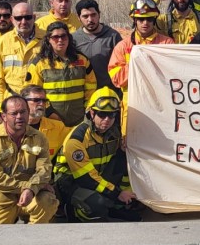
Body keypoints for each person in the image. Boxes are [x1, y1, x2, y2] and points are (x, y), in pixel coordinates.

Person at [54, 88, 139, 222]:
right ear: (92, 113)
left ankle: (115, 207)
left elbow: (117, 166)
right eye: (102, 114)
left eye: (111, 115)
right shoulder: (77, 139)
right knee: (97, 205)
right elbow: (86, 178)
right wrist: (117, 194)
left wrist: (130, 195)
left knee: (124, 155)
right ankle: (74, 211)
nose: (107, 120)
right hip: (71, 182)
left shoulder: (115, 134)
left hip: (96, 175)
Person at [0, 96, 58, 225]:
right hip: (0, 199)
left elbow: (44, 170)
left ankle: (33, 237)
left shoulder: (39, 137)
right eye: (14, 113)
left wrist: (31, 190)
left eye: (23, 112)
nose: (19, 117)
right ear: (3, 116)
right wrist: (28, 187)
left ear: (28, 112)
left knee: (48, 201)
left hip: (29, 196)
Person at [108, 0, 175, 133]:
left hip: (160, 103)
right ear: (134, 21)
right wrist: (136, 62)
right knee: (130, 143)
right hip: (133, 105)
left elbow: (174, 73)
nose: (145, 23)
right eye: (141, 19)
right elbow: (117, 79)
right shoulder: (123, 46)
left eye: (149, 19)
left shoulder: (167, 43)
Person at [26, 22, 97, 127]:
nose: (60, 40)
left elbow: (91, 87)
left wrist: (88, 109)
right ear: (48, 40)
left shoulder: (82, 60)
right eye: (55, 37)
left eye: (64, 36)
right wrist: (49, 112)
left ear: (69, 38)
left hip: (79, 121)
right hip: (50, 120)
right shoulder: (39, 63)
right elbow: (32, 93)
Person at [0, 1, 42, 104]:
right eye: (18, 18)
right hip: (11, 101)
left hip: (38, 101)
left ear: (34, 17)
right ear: (12, 19)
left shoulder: (47, 40)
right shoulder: (3, 41)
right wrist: (2, 104)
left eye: (27, 17)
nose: (23, 22)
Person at [72, 0, 123, 92]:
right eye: (85, 16)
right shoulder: (73, 39)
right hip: (84, 95)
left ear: (99, 14)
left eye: (93, 15)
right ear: (78, 18)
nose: (90, 19)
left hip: (110, 95)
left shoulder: (113, 36)